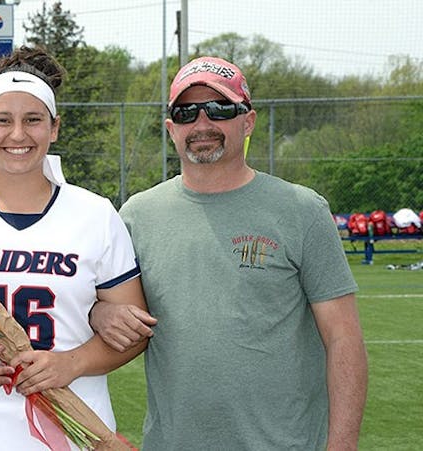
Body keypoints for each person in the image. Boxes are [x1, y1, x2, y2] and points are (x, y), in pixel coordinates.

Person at [89, 56, 368, 450]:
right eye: (186, 113)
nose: (202, 124)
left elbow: (343, 338)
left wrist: (343, 446)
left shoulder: (302, 210)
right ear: (171, 129)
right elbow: (97, 300)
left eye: (219, 109)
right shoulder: (136, 215)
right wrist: (98, 311)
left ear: (248, 121)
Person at [0, 46, 149, 451]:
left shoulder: (96, 214)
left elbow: (133, 332)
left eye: (33, 120)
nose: (17, 135)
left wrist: (71, 363)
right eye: (2, 120)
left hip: (71, 429)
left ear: (54, 128)